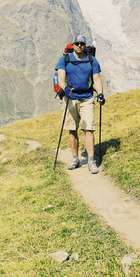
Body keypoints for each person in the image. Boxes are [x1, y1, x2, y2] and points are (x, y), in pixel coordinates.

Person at [56, 34, 105, 174]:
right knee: (72, 129)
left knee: (88, 128)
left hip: (87, 98)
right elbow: (61, 78)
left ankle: (91, 161)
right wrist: (65, 89)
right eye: (76, 43)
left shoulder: (91, 60)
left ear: (85, 45)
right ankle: (75, 159)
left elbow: (96, 79)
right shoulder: (64, 59)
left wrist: (100, 94)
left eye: (82, 43)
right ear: (73, 45)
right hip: (70, 98)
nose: (79, 46)